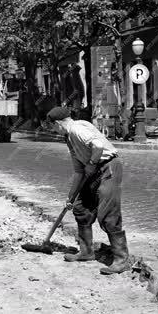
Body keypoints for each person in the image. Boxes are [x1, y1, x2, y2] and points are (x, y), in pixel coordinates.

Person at [46, 106, 130, 275]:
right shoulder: (69, 138)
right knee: (80, 208)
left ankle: (121, 259)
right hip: (91, 170)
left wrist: (91, 163)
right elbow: (78, 171)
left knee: (108, 214)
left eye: (52, 127)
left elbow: (98, 145)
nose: (53, 130)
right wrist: (71, 195)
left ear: (57, 124)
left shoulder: (77, 129)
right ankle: (86, 252)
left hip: (108, 167)